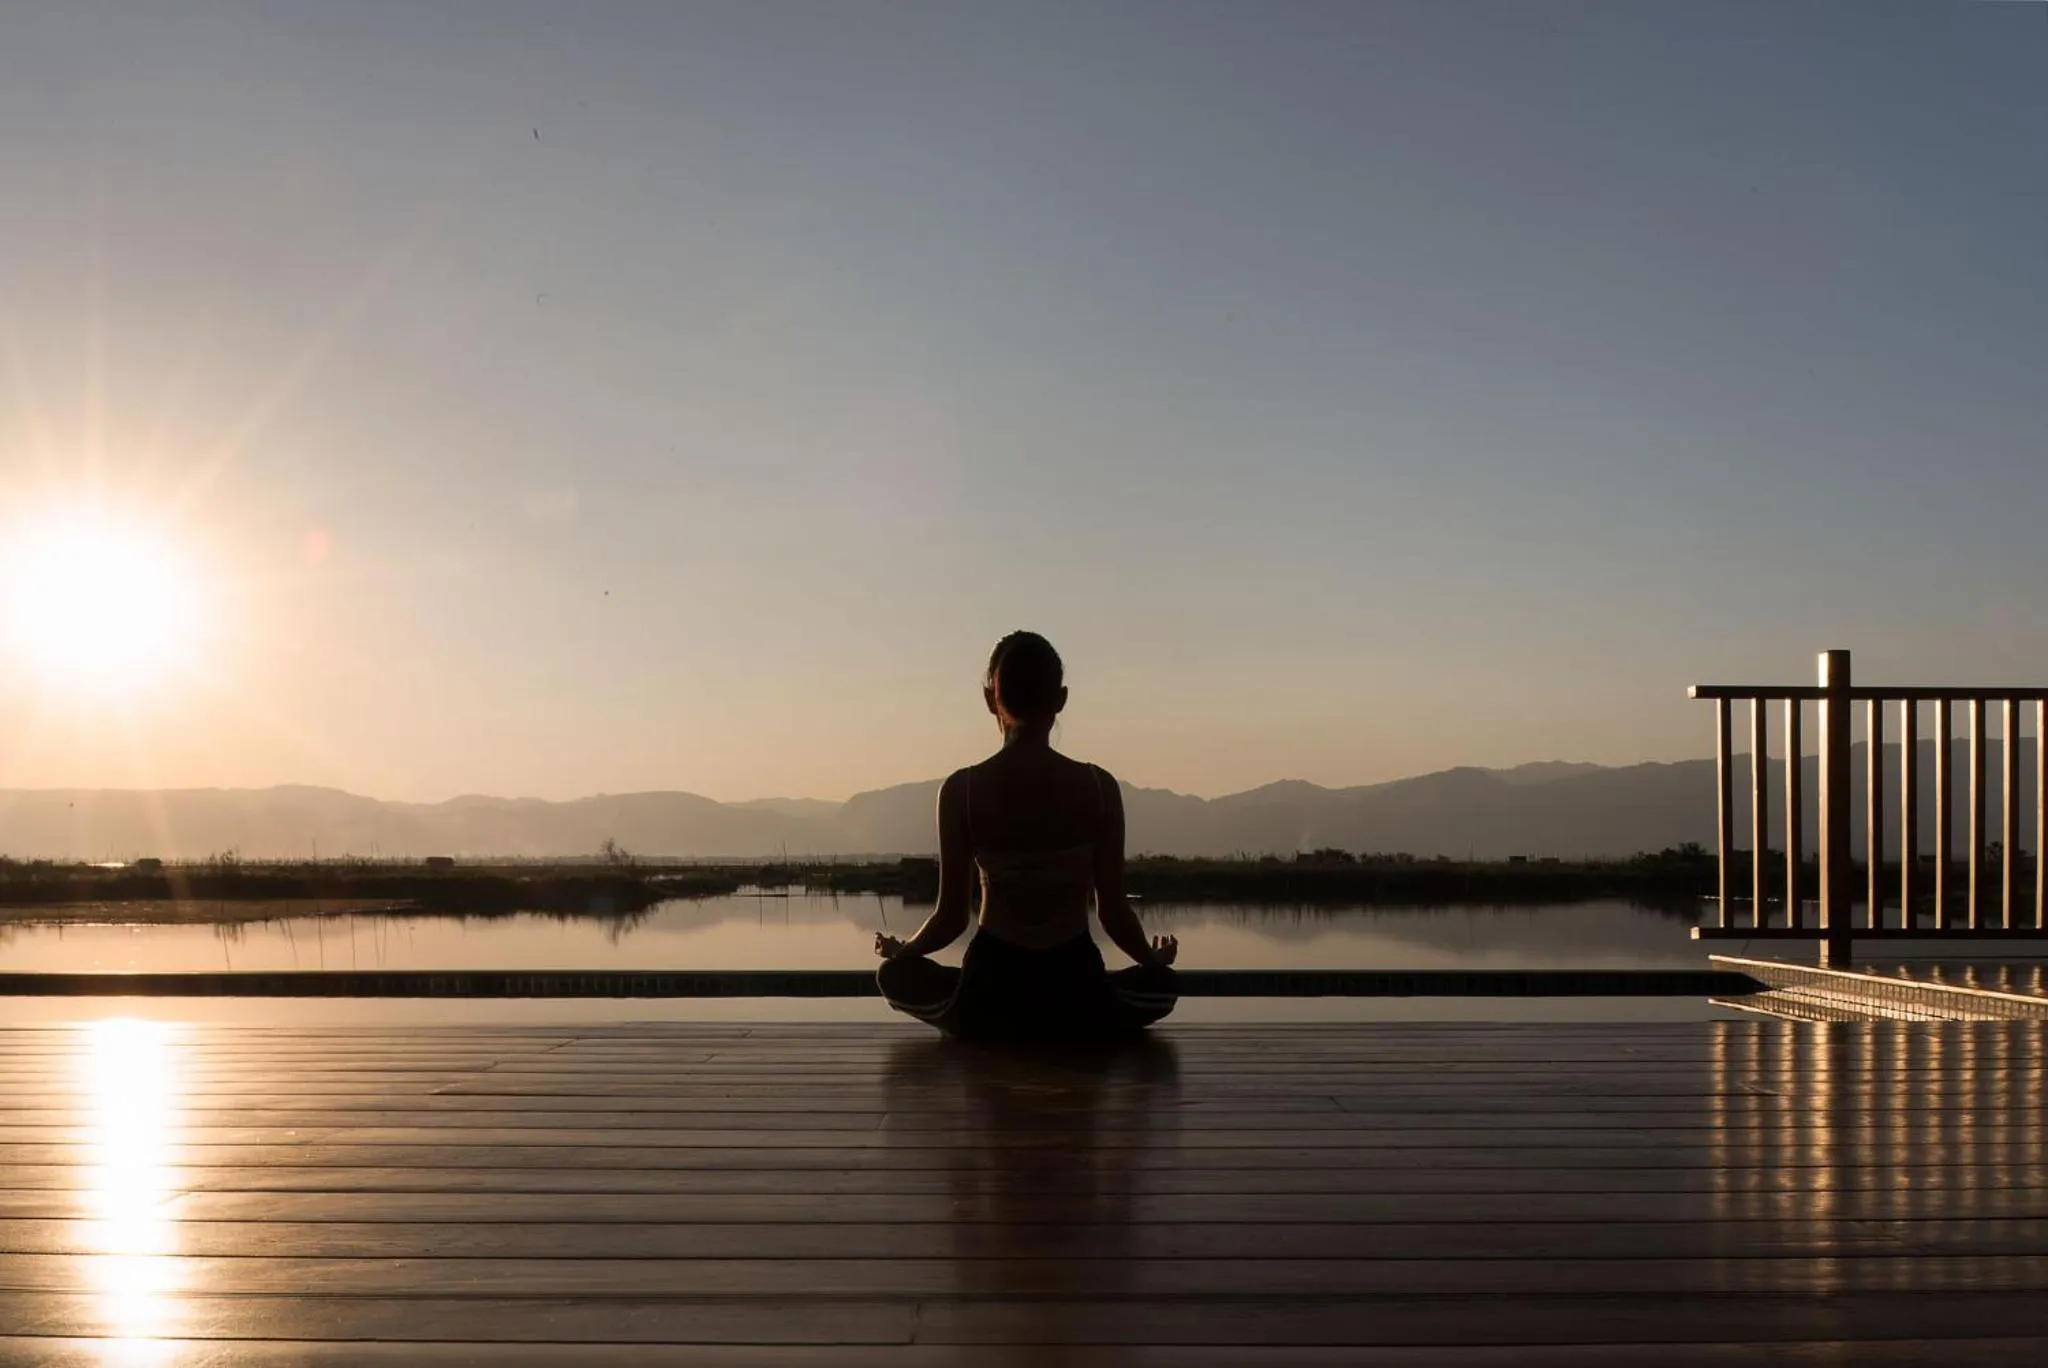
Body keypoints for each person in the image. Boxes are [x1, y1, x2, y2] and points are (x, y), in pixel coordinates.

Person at [874, 631, 1179, 1040]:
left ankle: (994, 1025)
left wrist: (904, 951)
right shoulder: (1097, 787)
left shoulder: (961, 791)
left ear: (989, 699)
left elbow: (950, 918)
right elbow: (1113, 913)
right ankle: (1074, 1025)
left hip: (990, 990)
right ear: (1061, 699)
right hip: (1076, 987)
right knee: (1162, 987)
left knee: (893, 976)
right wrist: (1151, 958)